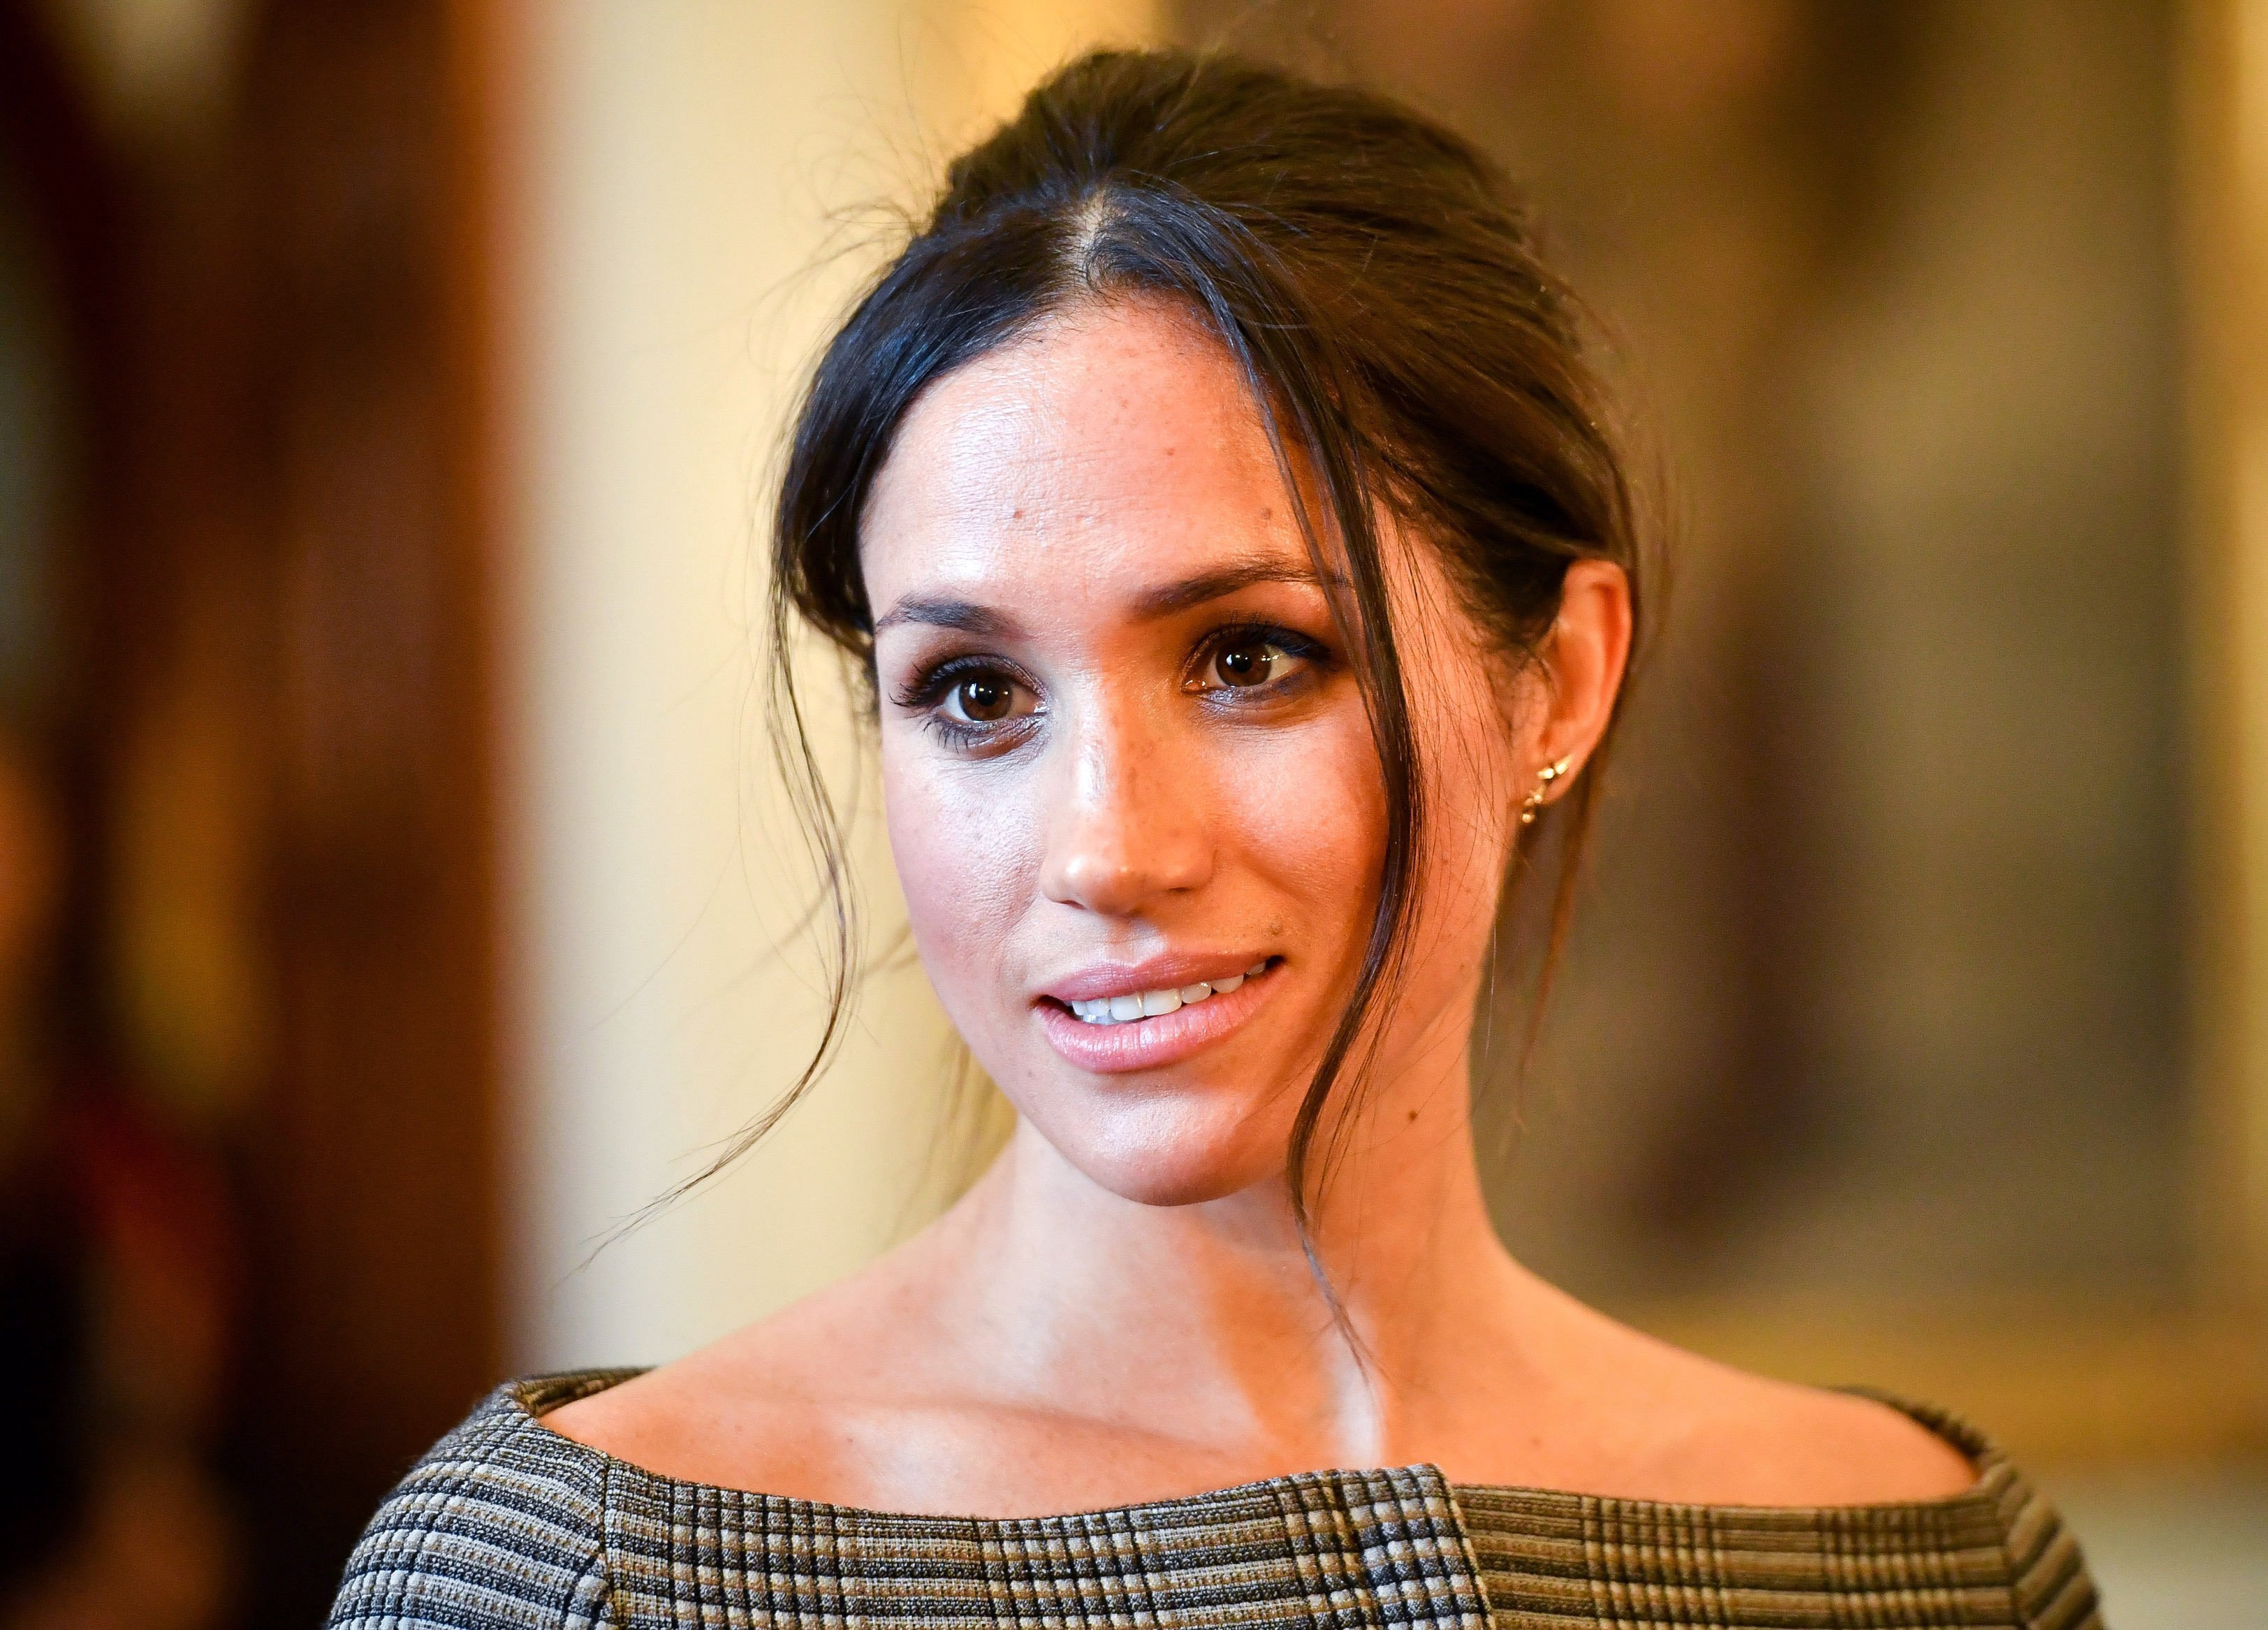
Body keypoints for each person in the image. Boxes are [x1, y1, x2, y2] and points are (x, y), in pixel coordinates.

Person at [331, 50, 2100, 1630]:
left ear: (1559, 680)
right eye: (975, 693)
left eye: (1251, 659)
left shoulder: (1937, 1568)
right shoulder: (585, 1579)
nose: (1107, 852)